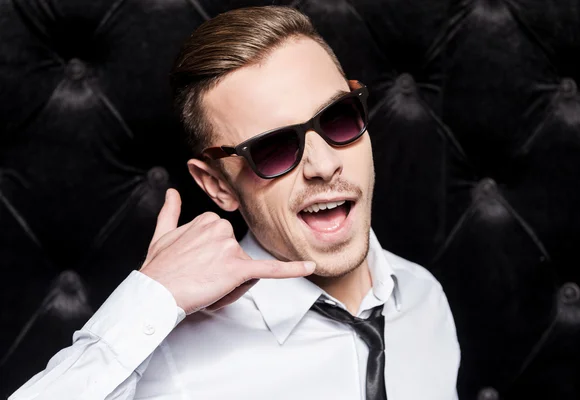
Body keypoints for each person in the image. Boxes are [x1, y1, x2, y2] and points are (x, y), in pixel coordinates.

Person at [10, 6, 460, 400]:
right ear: (218, 186)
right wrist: (151, 300)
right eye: (273, 149)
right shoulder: (173, 361)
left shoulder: (424, 297)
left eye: (338, 118)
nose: (322, 164)